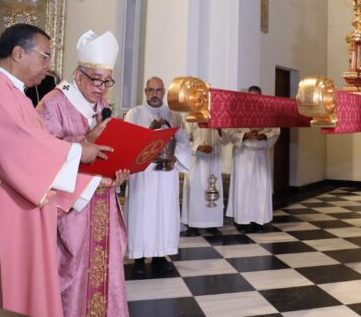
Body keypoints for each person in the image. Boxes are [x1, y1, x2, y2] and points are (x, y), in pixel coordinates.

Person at [0, 23, 112, 317]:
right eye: (45, 56)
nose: (48, 67)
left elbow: (34, 147)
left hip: (16, 210)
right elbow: (18, 149)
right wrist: (79, 151)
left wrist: (91, 179)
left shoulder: (14, 93)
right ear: (18, 53)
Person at [36, 30, 130, 317]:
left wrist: (120, 173)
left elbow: (108, 152)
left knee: (107, 270)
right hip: (72, 211)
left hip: (103, 206)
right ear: (78, 75)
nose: (102, 88)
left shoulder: (101, 107)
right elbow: (41, 153)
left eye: (107, 81)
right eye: (96, 80)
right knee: (76, 275)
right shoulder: (53, 104)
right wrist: (86, 142)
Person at [124, 77, 190, 277]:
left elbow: (184, 142)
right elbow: (128, 142)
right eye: (151, 90)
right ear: (145, 92)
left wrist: (175, 159)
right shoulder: (134, 114)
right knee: (141, 216)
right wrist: (150, 131)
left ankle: (162, 256)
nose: (154, 94)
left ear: (164, 92)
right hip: (143, 174)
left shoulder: (175, 116)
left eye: (158, 90)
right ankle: (139, 259)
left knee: (164, 215)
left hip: (166, 174)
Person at [224, 86, 280, 233]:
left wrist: (264, 136)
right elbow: (230, 131)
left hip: (260, 154)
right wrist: (245, 136)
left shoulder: (268, 113)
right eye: (251, 97)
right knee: (243, 188)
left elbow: (275, 131)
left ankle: (258, 221)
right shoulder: (238, 112)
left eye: (257, 97)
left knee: (259, 189)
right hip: (243, 154)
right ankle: (242, 222)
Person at [181, 123, 227, 237]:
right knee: (196, 192)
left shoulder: (218, 117)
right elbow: (183, 140)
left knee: (213, 190)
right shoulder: (191, 118)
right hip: (197, 160)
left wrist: (220, 129)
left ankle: (212, 224)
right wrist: (198, 147)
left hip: (213, 160)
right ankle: (193, 224)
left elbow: (226, 140)